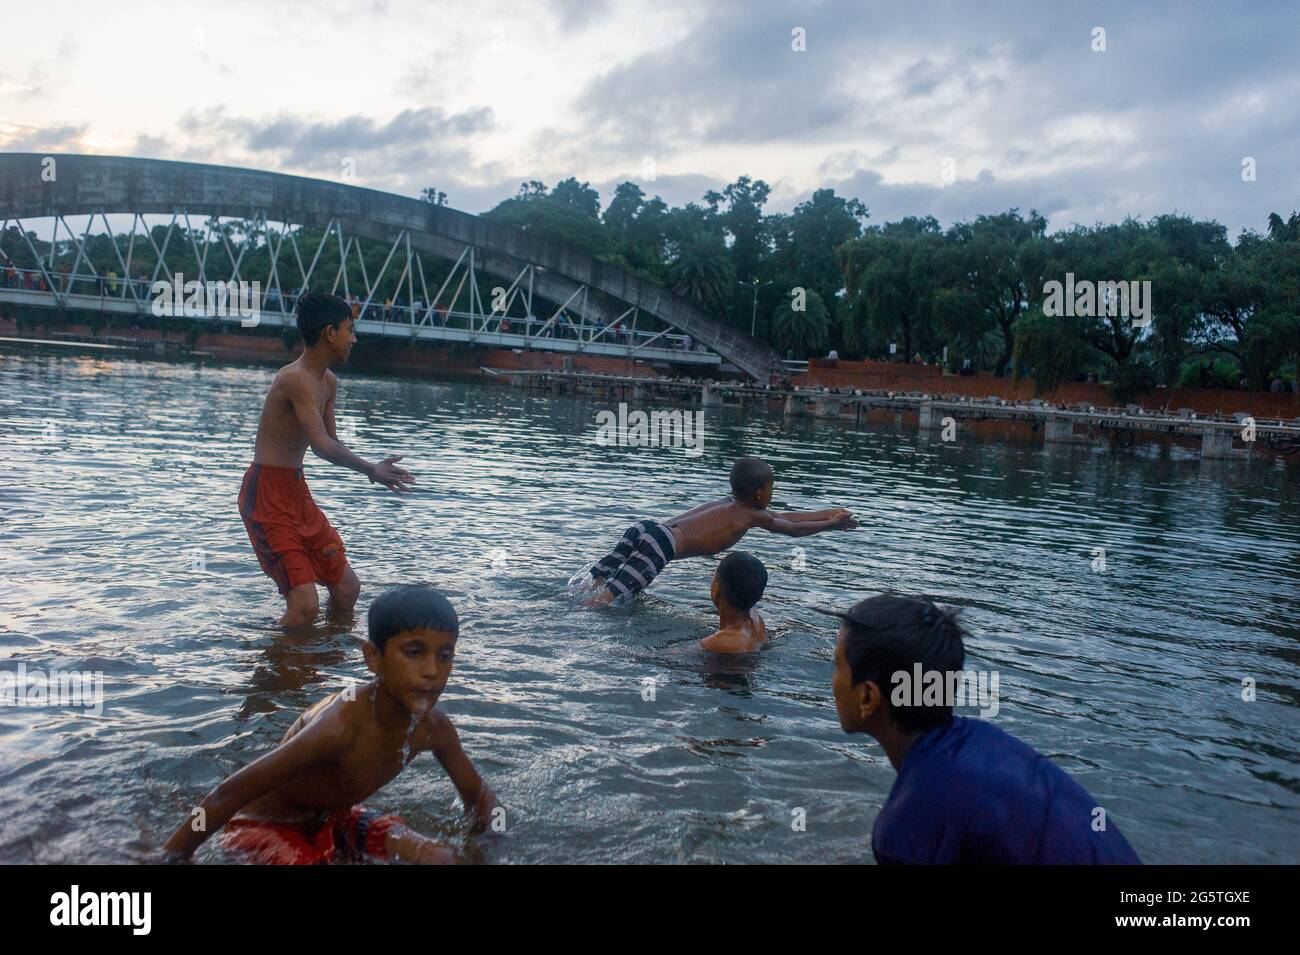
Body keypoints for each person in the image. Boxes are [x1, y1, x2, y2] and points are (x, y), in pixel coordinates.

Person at [162, 585, 498, 864]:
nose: (431, 671)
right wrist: (170, 857)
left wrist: (490, 847)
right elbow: (227, 794)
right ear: (373, 658)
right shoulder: (338, 726)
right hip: (265, 828)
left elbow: (479, 796)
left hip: (335, 818)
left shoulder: (433, 729)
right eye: (414, 652)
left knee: (441, 858)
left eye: (445, 655)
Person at [827, 594, 1141, 864]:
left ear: (868, 696)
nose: (833, 681)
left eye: (837, 666)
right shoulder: (985, 742)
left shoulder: (910, 823)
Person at [239, 290, 414, 628]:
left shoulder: (328, 382)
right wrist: (370, 469)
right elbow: (320, 446)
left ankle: (325, 659)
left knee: (348, 589)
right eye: (350, 329)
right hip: (266, 496)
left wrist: (374, 466)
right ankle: (278, 671)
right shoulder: (295, 379)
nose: (354, 338)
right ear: (329, 332)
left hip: (295, 492)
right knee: (305, 606)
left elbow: (332, 442)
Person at [582, 457, 857, 606]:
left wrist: (829, 512)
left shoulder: (732, 504)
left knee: (598, 585)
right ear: (760, 493)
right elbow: (792, 530)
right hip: (659, 546)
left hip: (647, 529)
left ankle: (579, 604)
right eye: (773, 488)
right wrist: (831, 525)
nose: (773, 493)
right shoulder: (749, 514)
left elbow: (786, 517)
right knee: (604, 602)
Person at [699, 552, 768, 653]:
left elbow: (678, 655)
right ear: (760, 596)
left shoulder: (718, 642)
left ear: (716, 589)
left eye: (713, 576)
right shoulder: (756, 620)